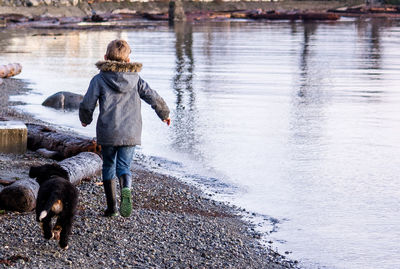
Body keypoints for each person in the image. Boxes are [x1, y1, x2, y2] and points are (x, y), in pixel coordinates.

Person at [79, 39, 171, 218]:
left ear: (105, 58)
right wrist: (164, 114)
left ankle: (111, 208)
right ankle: (126, 188)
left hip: (108, 131)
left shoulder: (99, 79)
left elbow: (87, 103)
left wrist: (85, 119)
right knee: (124, 167)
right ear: (128, 61)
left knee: (108, 166)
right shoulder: (136, 80)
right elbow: (154, 98)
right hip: (130, 132)